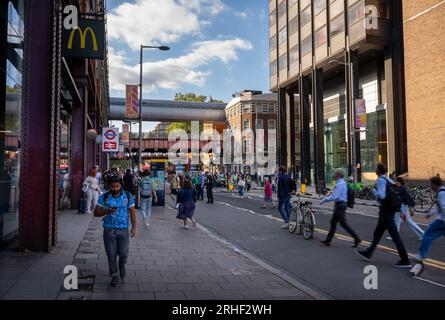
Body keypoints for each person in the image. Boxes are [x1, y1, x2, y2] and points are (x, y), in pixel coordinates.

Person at [356, 163, 412, 268]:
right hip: (388, 211)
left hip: (386, 212)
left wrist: (374, 191)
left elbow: (382, 195)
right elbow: (395, 195)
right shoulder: (389, 180)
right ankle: (368, 253)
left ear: (379, 170)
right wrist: (401, 211)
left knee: (395, 236)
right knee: (377, 233)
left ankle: (405, 260)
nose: (375, 171)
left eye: (375, 169)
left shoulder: (381, 180)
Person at [94, 175, 137, 287]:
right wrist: (107, 211)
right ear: (109, 186)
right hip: (109, 230)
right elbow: (96, 213)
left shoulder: (127, 196)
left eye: (117, 186)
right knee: (111, 254)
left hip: (123, 230)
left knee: (123, 253)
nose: (115, 189)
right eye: (112, 187)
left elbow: (132, 211)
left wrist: (134, 227)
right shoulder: (104, 197)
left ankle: (121, 265)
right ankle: (114, 275)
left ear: (121, 185)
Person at [320, 170, 361, 247]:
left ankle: (357, 238)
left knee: (343, 224)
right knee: (333, 222)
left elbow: (334, 196)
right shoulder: (342, 183)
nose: (333, 175)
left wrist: (324, 200)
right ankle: (328, 241)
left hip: (340, 205)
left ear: (338, 175)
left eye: (335, 173)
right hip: (340, 205)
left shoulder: (339, 184)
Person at [412, 176, 445, 262]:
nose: (430, 187)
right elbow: (439, 207)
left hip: (441, 221)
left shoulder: (441, 193)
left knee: (427, 235)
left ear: (434, 184)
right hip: (442, 220)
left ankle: (422, 256)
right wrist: (430, 214)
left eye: (431, 184)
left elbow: (443, 207)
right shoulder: (443, 191)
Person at [386, 177, 424, 241]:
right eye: (395, 181)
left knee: (406, 221)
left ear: (399, 182)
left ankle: (422, 233)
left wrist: (410, 209)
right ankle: (421, 234)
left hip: (403, 206)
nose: (395, 182)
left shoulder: (402, 189)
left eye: (396, 181)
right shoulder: (399, 188)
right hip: (401, 206)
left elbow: (406, 199)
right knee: (397, 220)